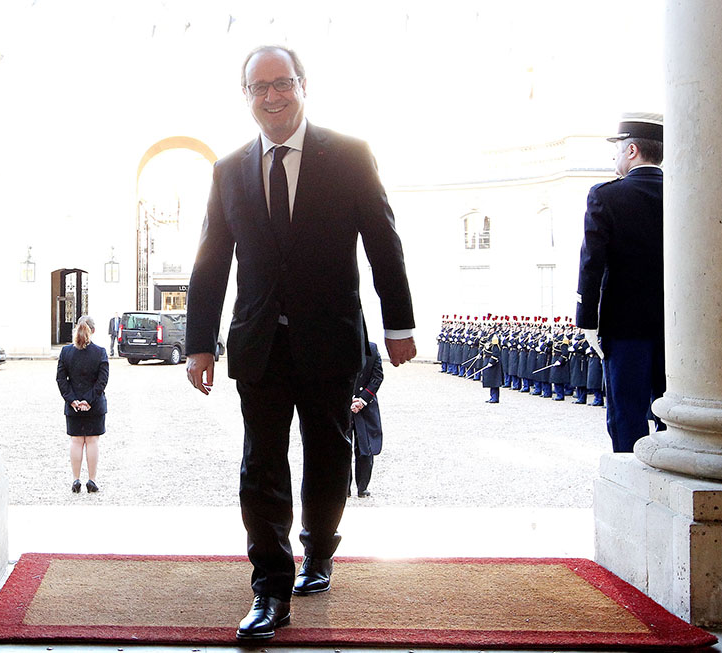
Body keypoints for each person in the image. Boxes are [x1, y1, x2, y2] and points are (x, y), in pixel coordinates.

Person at [184, 45, 416, 641]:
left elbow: (383, 242)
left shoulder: (350, 155)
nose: (272, 96)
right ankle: (270, 588)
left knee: (329, 453)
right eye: (258, 87)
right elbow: (211, 261)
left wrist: (399, 325)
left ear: (303, 86)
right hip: (258, 342)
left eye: (281, 83)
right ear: (247, 97)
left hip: (331, 338)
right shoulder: (229, 168)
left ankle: (318, 549)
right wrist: (199, 342)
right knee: (260, 462)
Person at [576, 113, 664, 452]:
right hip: (679, 328)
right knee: (676, 417)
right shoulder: (685, 195)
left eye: (616, 150)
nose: (614, 158)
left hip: (625, 326)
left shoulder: (606, 196)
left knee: (627, 415)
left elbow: (591, 263)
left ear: (631, 150)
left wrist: (588, 320)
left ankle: (632, 484)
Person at [56, 315, 109, 493]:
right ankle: (92, 480)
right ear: (93, 331)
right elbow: (102, 381)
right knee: (92, 441)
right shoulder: (100, 352)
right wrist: (89, 400)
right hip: (94, 405)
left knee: (76, 441)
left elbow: (61, 380)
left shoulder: (65, 352)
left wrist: (72, 400)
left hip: (73, 405)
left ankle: (76, 479)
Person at [349, 341, 384, 497]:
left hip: (365, 406)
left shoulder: (372, 349)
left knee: (366, 448)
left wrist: (362, 400)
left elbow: (377, 377)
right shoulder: (337, 346)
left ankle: (362, 486)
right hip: (344, 405)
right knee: (341, 448)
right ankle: (344, 487)